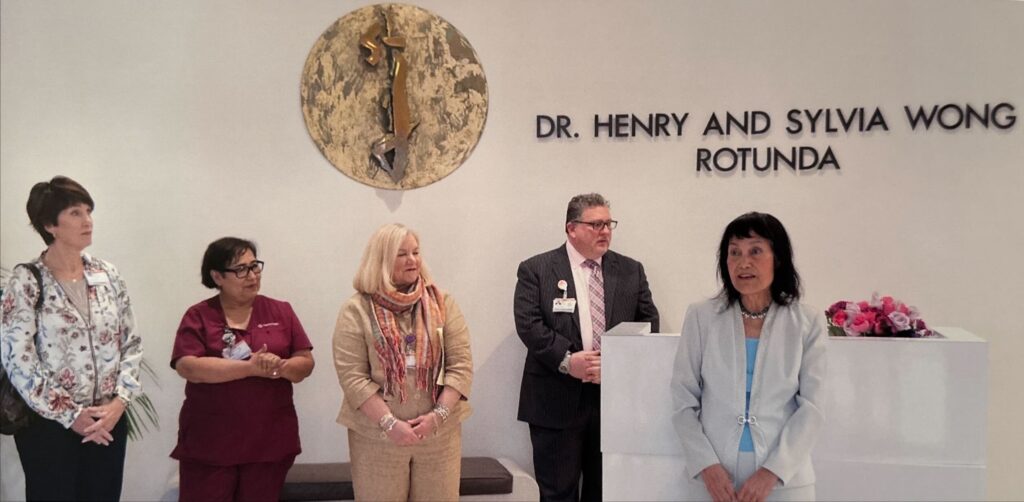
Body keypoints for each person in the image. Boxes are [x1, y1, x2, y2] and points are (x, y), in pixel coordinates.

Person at [0, 175, 143, 501]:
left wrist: (120, 401)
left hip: (107, 419)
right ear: (50, 224)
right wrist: (69, 414)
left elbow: (131, 342)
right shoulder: (27, 280)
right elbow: (17, 358)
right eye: (76, 213)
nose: (88, 221)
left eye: (88, 211)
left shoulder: (107, 274)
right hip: (50, 425)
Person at [671, 212, 826, 502]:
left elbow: (813, 408)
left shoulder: (807, 321)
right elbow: (683, 400)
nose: (744, 262)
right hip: (714, 481)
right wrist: (706, 465)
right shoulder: (701, 317)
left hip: (784, 481)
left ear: (777, 258)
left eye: (755, 251)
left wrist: (772, 470)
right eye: (734, 252)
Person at [514, 193, 660, 502]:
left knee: (606, 492)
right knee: (557, 494)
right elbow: (528, 324)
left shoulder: (630, 270)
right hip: (554, 401)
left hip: (614, 402)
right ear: (571, 229)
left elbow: (649, 323)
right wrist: (568, 360)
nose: (605, 231)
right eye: (596, 224)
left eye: (608, 224)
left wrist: (617, 363)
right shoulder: (536, 270)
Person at [333, 223, 473, 502]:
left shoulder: (443, 303)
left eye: (416, 252)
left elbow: (460, 367)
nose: (413, 260)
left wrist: (438, 416)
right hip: (377, 436)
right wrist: (388, 423)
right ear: (382, 260)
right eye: (402, 254)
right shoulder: (356, 309)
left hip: (438, 434)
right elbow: (353, 378)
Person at [170, 237, 314, 502]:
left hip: (267, 441)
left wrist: (280, 366)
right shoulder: (199, 315)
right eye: (240, 269)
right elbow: (188, 366)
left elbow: (305, 363)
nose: (251, 276)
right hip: (211, 443)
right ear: (217, 276)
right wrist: (249, 369)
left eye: (254, 266)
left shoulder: (280, 310)